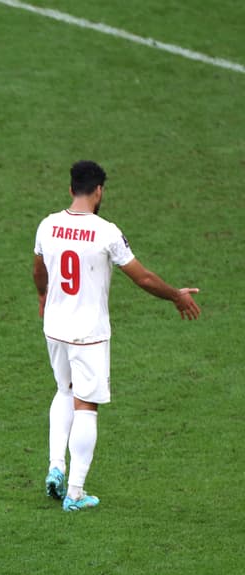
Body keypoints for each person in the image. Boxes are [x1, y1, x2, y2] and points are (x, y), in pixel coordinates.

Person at [33, 161, 201, 511]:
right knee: (86, 405)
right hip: (88, 334)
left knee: (63, 391)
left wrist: (43, 296)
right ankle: (75, 493)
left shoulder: (48, 225)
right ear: (98, 191)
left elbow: (38, 269)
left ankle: (55, 466)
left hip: (55, 328)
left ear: (70, 189)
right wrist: (176, 295)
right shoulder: (105, 232)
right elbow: (143, 278)